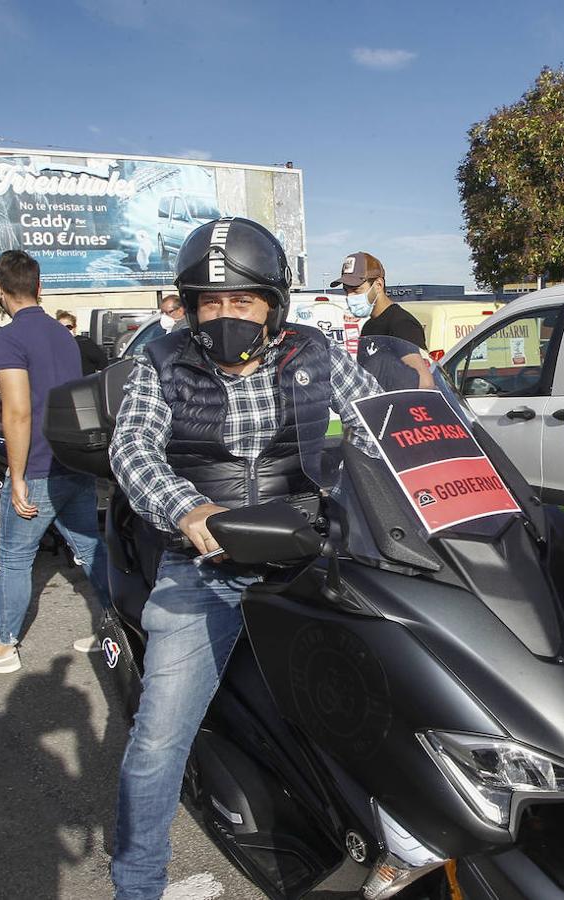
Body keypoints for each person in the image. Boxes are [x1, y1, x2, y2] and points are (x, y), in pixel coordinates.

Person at [109, 218, 381, 899]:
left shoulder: (315, 352)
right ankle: (136, 885)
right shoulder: (160, 362)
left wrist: (426, 459)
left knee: (386, 696)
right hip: (203, 568)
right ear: (191, 304)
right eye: (210, 301)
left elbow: (378, 421)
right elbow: (133, 448)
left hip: (308, 552)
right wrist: (190, 510)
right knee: (156, 742)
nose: (224, 314)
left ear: (272, 304)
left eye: (241, 301)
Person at [0, 251, 110, 675]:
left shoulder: (8, 338)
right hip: (73, 458)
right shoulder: (62, 334)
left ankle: (2, 649)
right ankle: (119, 625)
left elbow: (18, 411)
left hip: (38, 463)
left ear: (0, 292)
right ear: (39, 287)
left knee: (15, 558)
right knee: (91, 549)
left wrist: (16, 475)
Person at [332, 251, 433, 388]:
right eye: (346, 291)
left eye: (356, 290)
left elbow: (424, 383)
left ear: (378, 285)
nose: (349, 297)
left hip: (398, 408)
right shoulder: (369, 326)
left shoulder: (402, 324)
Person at [56, 310, 109, 375]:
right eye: (60, 327)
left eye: (68, 327)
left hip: (84, 382)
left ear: (74, 328)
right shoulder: (55, 345)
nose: (65, 330)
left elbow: (102, 361)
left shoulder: (85, 342)